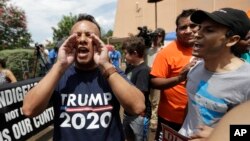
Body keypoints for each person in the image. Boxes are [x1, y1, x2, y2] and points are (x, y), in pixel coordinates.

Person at [22, 13, 145, 141]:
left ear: (99, 43)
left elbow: (138, 107)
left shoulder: (111, 73)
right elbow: (29, 110)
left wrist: (105, 64)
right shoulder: (59, 74)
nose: (82, 39)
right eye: (77, 35)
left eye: (89, 35)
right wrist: (59, 65)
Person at [178, 8, 250, 140]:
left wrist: (223, 135)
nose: (197, 34)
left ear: (231, 40)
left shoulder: (246, 80)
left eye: (209, 30)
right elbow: (191, 108)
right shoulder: (195, 69)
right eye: (199, 28)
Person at [150, 9, 199, 140]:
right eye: (183, 27)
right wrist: (180, 78)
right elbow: (154, 82)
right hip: (170, 119)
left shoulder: (210, 49)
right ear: (177, 31)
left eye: (193, 25)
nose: (188, 30)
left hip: (200, 119)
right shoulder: (166, 53)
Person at [122, 36, 151, 141]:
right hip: (127, 114)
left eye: (126, 53)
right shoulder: (130, 67)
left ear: (134, 53)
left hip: (139, 116)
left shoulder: (143, 70)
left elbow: (140, 94)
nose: (124, 56)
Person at [146, 28, 165, 131]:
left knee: (155, 101)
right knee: (146, 99)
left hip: (157, 77)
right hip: (146, 78)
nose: (157, 38)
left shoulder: (163, 50)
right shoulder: (147, 50)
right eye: (155, 35)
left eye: (159, 36)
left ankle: (154, 121)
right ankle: (147, 118)